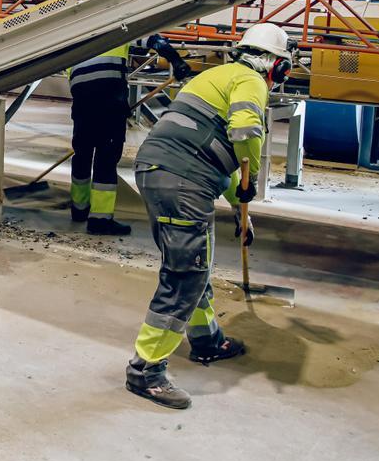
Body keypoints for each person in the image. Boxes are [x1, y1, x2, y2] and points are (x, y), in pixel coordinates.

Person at [125, 23, 293, 409]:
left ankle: (206, 340)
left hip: (165, 174)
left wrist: (240, 207)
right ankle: (145, 371)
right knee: (185, 275)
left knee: (197, 262)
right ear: (275, 66)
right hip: (182, 181)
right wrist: (253, 167)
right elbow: (246, 132)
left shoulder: (218, 75)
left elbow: (220, 161)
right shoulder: (252, 82)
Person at [67, 37, 192, 235]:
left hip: (81, 101)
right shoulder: (120, 30)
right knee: (105, 161)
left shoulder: (78, 34)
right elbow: (154, 41)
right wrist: (176, 61)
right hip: (109, 100)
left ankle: (79, 209)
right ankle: (100, 220)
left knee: (82, 155)